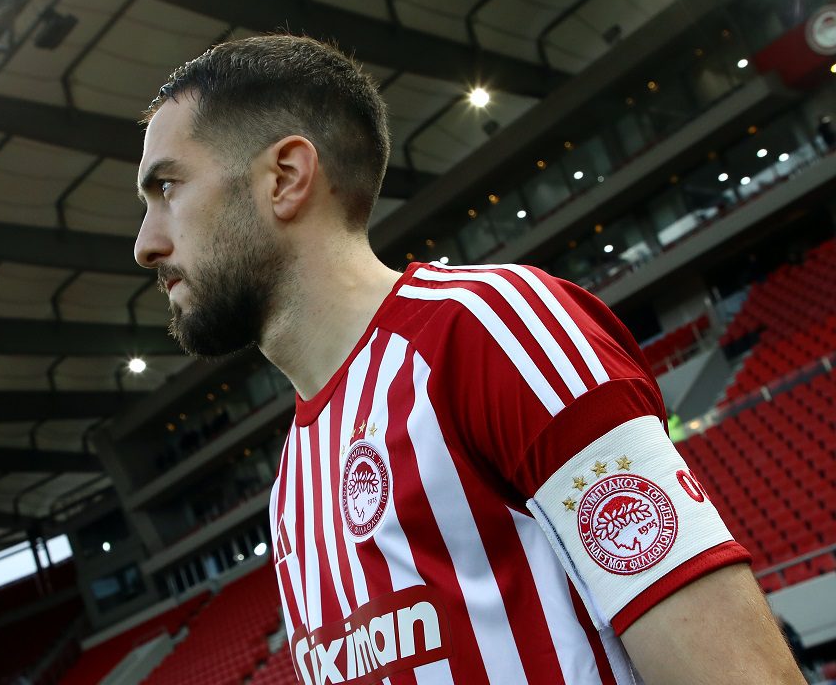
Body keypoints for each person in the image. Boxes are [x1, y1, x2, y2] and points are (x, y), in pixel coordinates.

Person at [133, 35, 803, 684]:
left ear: (284, 177)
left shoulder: (497, 331)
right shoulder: (292, 486)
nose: (145, 244)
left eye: (166, 187)